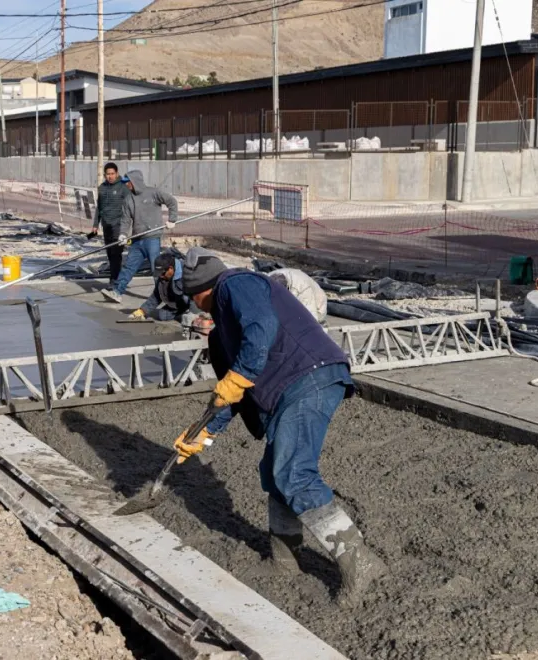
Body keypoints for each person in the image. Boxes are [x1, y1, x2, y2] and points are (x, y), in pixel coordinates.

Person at [175, 248, 386, 604]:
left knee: (294, 472)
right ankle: (285, 559)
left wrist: (238, 376)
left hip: (309, 377)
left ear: (197, 292)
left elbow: (262, 329)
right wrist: (205, 433)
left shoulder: (235, 283)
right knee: (276, 473)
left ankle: (360, 561)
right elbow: (233, 393)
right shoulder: (219, 334)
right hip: (292, 388)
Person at [101, 170, 178, 304]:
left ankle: (165, 295)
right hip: (137, 240)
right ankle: (117, 292)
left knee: (157, 268)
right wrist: (123, 234)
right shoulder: (128, 199)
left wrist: (172, 219)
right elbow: (125, 220)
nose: (126, 185)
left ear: (134, 181)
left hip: (152, 238)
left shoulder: (154, 193)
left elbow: (172, 202)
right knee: (129, 266)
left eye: (127, 182)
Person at [86, 162, 127, 286]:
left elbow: (130, 206)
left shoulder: (123, 187)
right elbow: (99, 207)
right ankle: (115, 277)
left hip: (119, 225)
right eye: (108, 174)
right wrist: (95, 224)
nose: (110, 176)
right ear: (104, 175)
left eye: (112, 174)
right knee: (109, 252)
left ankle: (114, 280)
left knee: (116, 253)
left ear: (117, 173)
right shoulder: (102, 188)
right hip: (106, 225)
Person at [128, 251, 193, 322]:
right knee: (163, 316)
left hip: (195, 301)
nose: (161, 276)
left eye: (162, 274)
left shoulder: (187, 271)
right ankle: (183, 312)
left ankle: (192, 313)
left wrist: (193, 314)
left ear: (170, 268)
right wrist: (142, 311)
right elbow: (156, 296)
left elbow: (198, 293)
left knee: (186, 298)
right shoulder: (163, 276)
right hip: (179, 302)